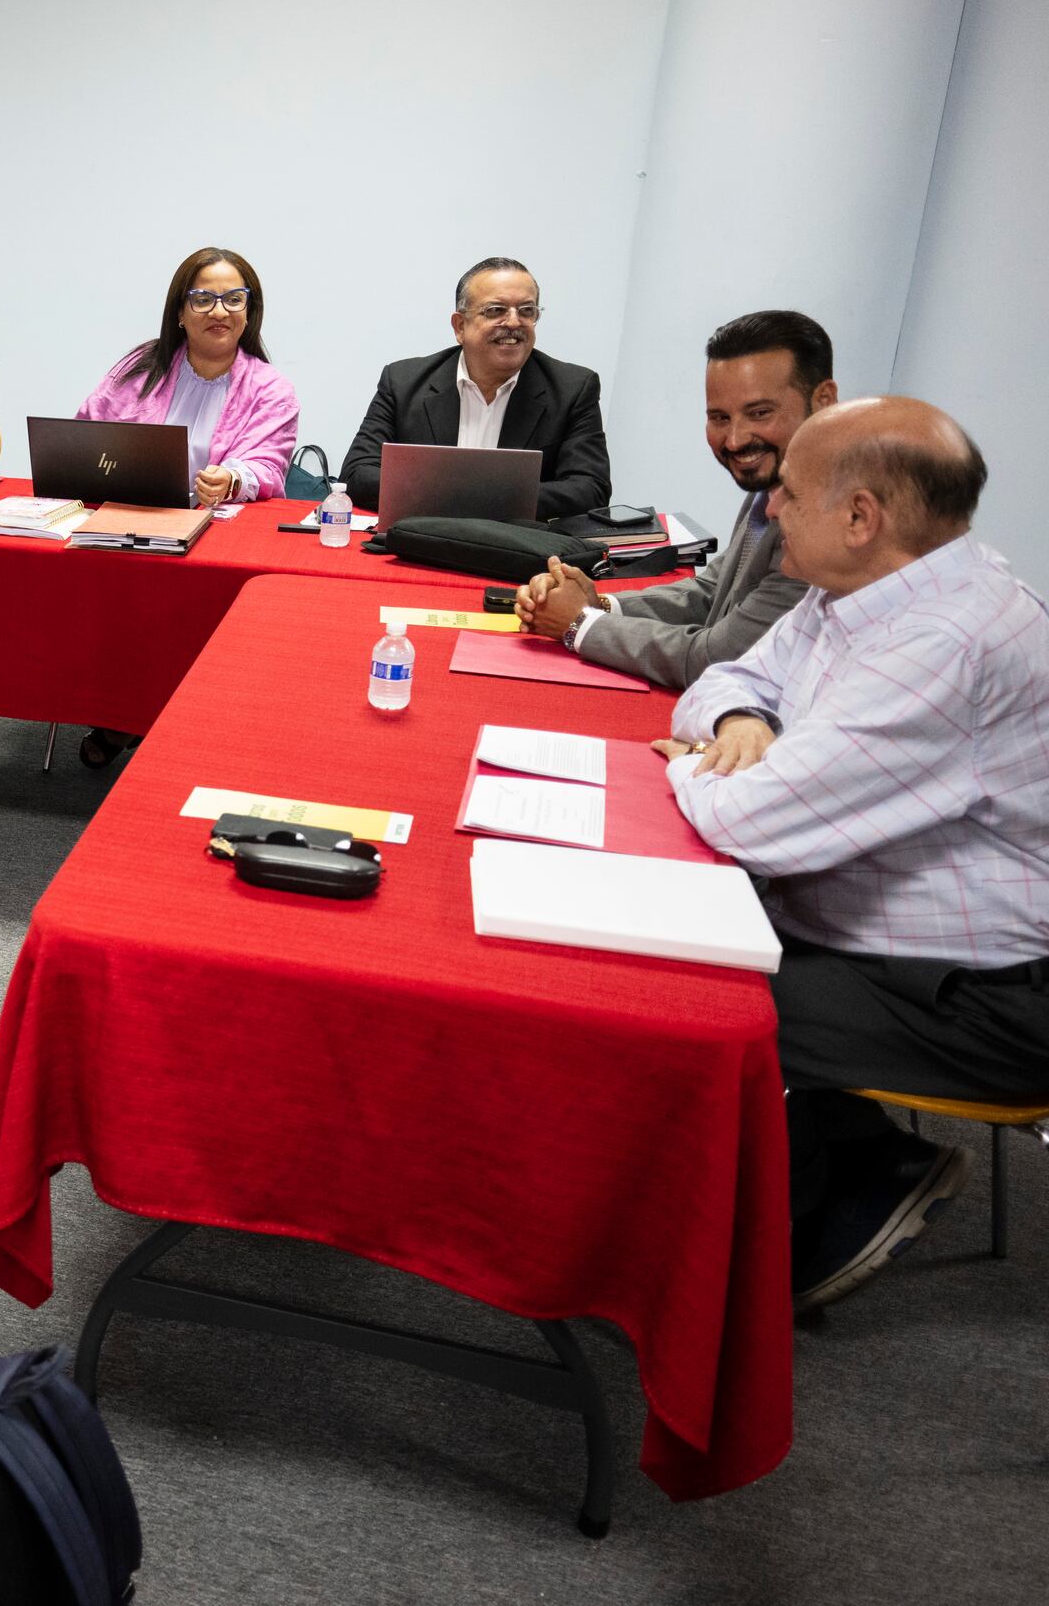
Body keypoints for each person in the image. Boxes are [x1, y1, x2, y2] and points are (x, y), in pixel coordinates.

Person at [653, 397, 1048, 1312]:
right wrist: (743, 722)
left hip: (977, 995)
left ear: (861, 516)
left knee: (698, 1009)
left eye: (790, 492)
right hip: (879, 942)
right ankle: (871, 1158)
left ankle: (778, 1266)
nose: (771, 510)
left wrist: (694, 766)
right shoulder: (861, 588)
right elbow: (726, 678)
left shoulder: (947, 639)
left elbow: (749, 820)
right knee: (693, 957)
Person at [73, 246, 302, 766]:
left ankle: (183, 720)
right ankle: (115, 709)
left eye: (232, 299)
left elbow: (269, 467)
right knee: (93, 591)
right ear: (180, 310)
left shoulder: (272, 389)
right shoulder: (141, 365)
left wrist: (234, 477)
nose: (219, 311)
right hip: (128, 527)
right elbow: (88, 428)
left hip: (210, 538)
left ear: (250, 310)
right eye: (203, 298)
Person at [514, 310, 831, 686]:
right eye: (719, 417)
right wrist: (599, 604)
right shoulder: (774, 479)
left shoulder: (827, 517)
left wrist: (580, 623)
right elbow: (713, 592)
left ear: (824, 400)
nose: (735, 439)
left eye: (759, 413)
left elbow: (717, 659)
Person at [339, 256, 611, 519]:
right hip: (419, 540)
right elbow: (357, 474)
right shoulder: (403, 381)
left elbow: (590, 489)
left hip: (515, 552)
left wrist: (467, 499)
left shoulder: (572, 389)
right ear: (460, 326)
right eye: (496, 311)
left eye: (527, 311)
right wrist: (470, 496)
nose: (514, 322)